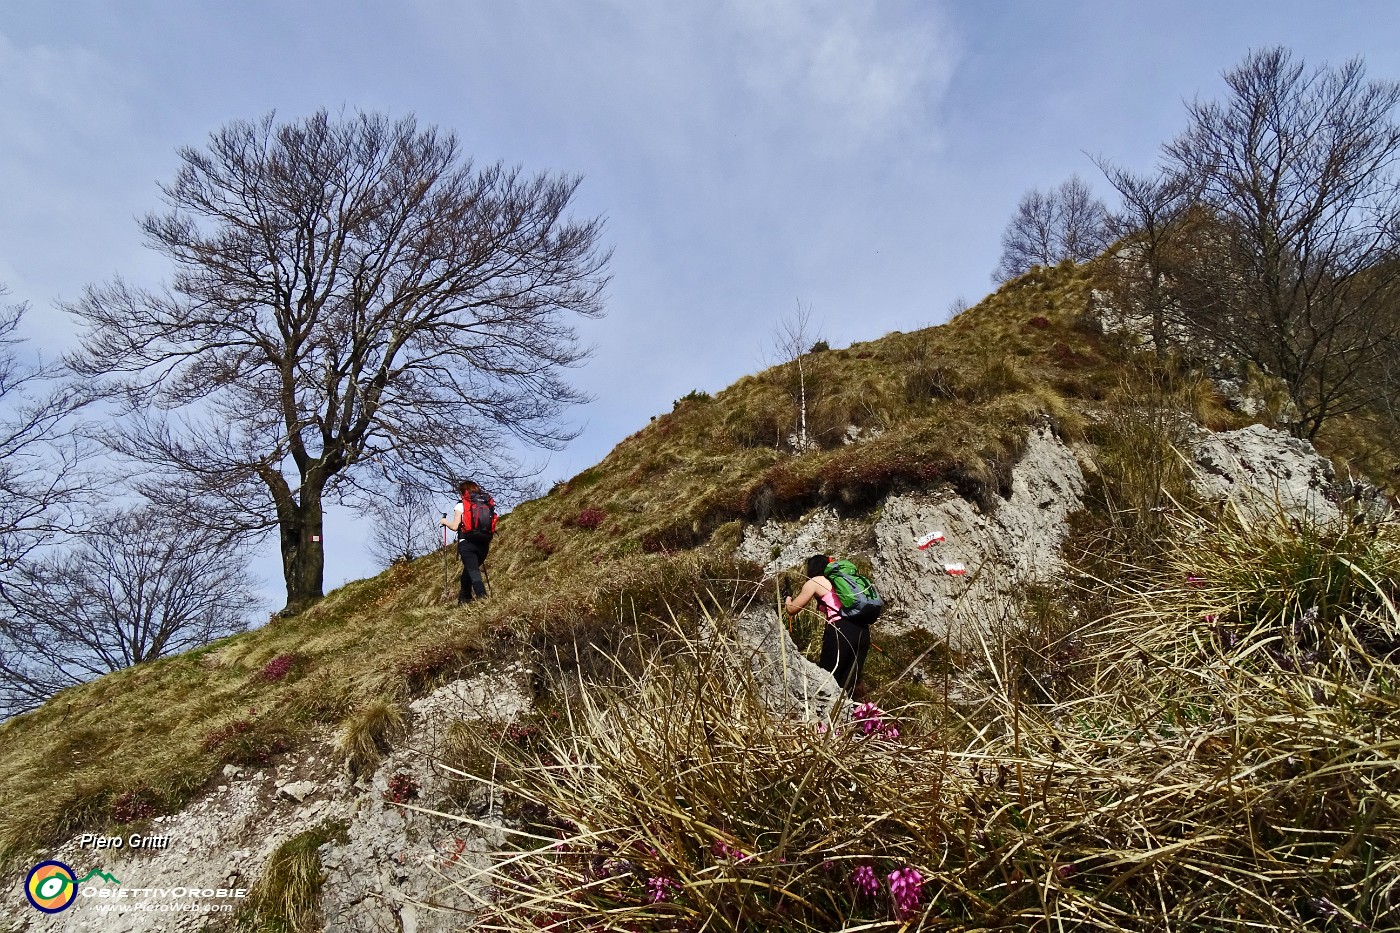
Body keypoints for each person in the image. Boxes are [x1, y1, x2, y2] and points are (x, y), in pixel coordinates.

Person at [784, 553, 871, 695]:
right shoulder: (842, 580)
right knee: (848, 685)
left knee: (828, 680)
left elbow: (792, 609)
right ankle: (848, 714)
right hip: (862, 631)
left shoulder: (815, 581)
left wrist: (788, 598)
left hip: (842, 631)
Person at [440, 480, 496, 605]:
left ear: (463, 492)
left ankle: (483, 599)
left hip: (467, 542)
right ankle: (464, 600)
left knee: (474, 572)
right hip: (484, 542)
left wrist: (444, 522)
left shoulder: (461, 505)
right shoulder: (486, 503)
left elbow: (455, 526)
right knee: (468, 572)